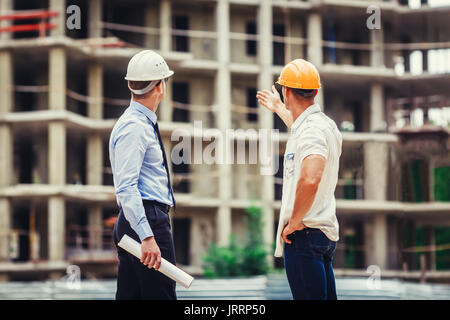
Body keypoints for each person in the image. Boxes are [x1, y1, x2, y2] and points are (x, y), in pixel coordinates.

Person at [257, 59, 342, 300]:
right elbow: (302, 129)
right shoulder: (324, 126)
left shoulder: (311, 130)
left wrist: (294, 222)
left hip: (304, 235)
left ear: (286, 91)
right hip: (322, 236)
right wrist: (278, 109)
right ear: (315, 92)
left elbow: (311, 178)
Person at [110, 50, 177, 300]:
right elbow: (127, 188)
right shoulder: (135, 127)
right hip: (146, 220)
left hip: (136, 219)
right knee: (161, 295)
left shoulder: (136, 123)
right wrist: (147, 236)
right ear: (160, 86)